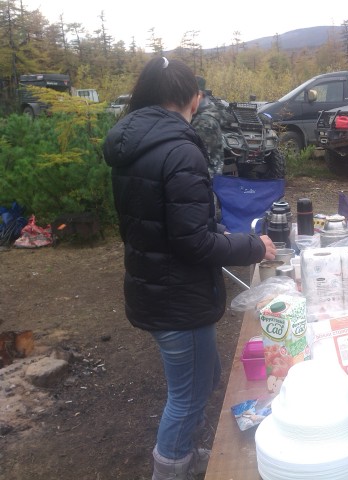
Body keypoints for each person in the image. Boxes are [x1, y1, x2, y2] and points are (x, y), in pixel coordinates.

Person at [102, 56, 276, 480]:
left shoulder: (133, 143)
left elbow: (167, 221)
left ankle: (184, 453)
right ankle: (171, 467)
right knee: (187, 396)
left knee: (205, 376)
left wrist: (215, 229)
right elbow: (192, 242)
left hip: (154, 284)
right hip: (176, 295)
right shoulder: (180, 150)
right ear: (192, 98)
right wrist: (254, 246)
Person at [191, 76, 228, 177]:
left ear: (199, 95)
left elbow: (196, 156)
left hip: (205, 176)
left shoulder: (205, 122)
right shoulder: (206, 112)